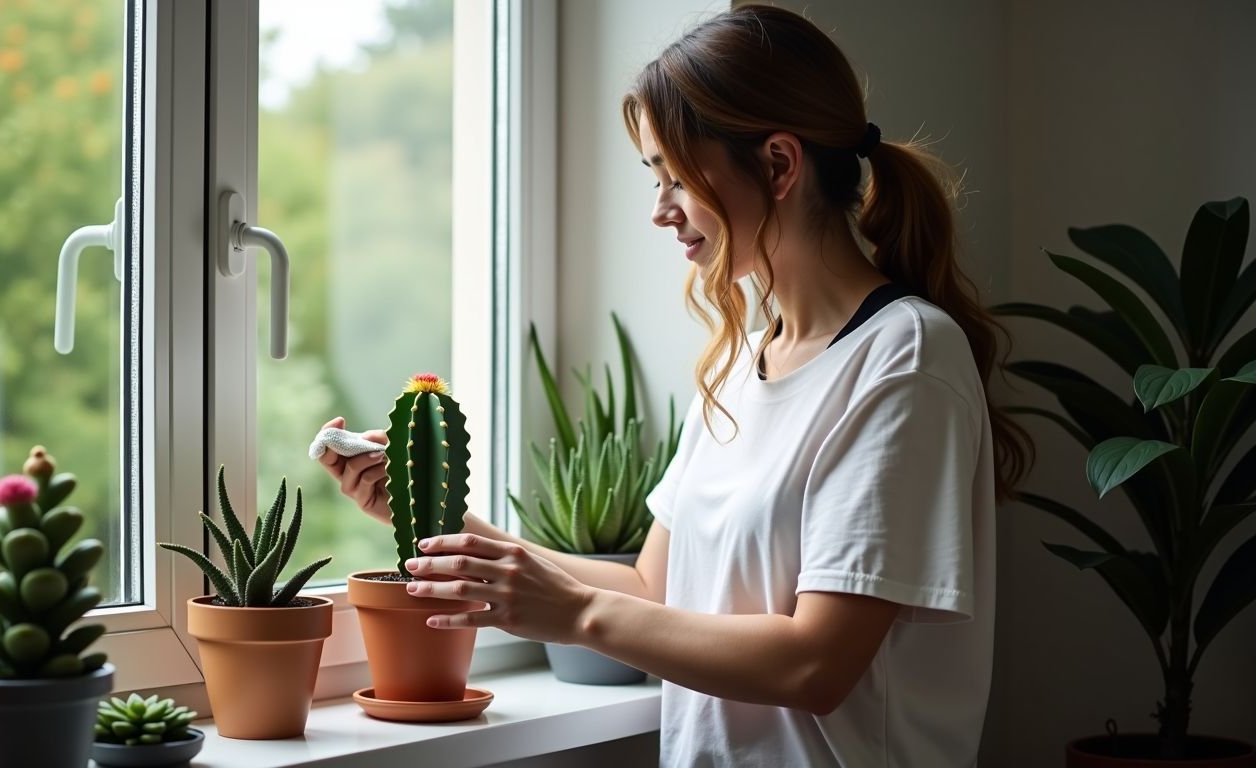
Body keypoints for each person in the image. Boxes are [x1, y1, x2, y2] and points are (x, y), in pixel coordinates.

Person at [318, 5, 1030, 766]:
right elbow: (657, 589)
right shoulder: (738, 365)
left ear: (780, 165)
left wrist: (578, 614)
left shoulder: (905, 357)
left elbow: (815, 664)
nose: (660, 211)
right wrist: (444, 521)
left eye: (675, 176)